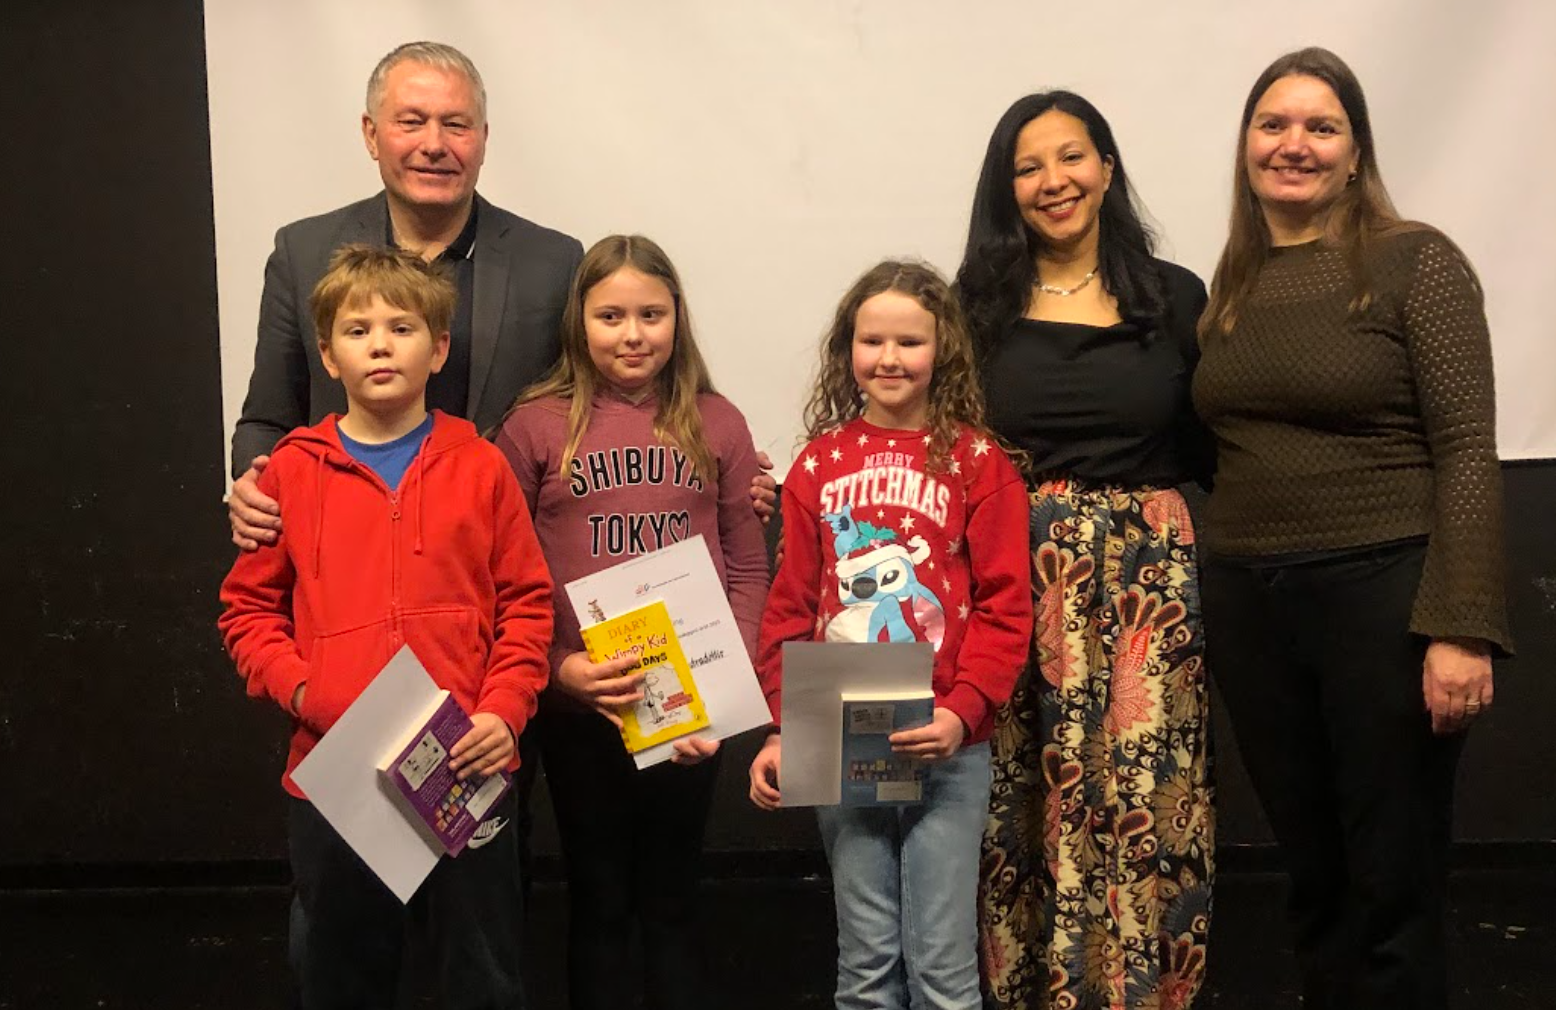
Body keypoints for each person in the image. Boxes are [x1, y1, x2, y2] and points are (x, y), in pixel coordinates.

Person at [1193, 47, 1511, 1010]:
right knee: (1313, 869)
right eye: (1273, 124)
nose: (1294, 145)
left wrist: (1461, 626)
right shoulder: (1231, 286)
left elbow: (1467, 448)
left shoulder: (1416, 260)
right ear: (1246, 144)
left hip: (1383, 596)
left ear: (1356, 150)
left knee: (1392, 874)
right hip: (1251, 606)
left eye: (1320, 127)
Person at [218, 245, 553, 1007]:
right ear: (327, 355)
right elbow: (248, 611)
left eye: (401, 328)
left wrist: (503, 711)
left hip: (462, 766)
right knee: (342, 975)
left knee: (479, 975)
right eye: (357, 329)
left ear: (438, 348)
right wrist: (303, 691)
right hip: (336, 772)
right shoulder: (290, 473)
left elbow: (527, 605)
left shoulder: (481, 465)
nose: (379, 345)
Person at [955, 92, 1216, 1009]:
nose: (1053, 181)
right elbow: (932, 434)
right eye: (1028, 167)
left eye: (1071, 157)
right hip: (1015, 580)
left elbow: (1216, 440)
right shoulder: (973, 306)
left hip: (1150, 589)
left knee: (1147, 791)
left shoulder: (1174, 296)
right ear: (1007, 188)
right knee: (1022, 796)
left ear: (1106, 167)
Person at [495, 235, 770, 1010]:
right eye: (610, 316)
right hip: (584, 705)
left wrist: (721, 691)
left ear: (677, 318)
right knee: (600, 898)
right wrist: (561, 670)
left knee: (674, 899)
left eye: (651, 314)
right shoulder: (534, 426)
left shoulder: (716, 421)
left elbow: (748, 569)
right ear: (578, 322)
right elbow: (503, 576)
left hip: (688, 705)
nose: (632, 334)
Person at [750, 260, 1032, 1010]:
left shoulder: (978, 462)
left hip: (948, 742)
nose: (889, 358)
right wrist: (783, 728)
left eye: (910, 341)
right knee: (867, 967)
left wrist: (963, 711)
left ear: (944, 349)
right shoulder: (818, 464)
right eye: (872, 340)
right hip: (839, 732)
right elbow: (789, 608)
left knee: (942, 969)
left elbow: (1007, 608)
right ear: (848, 347)